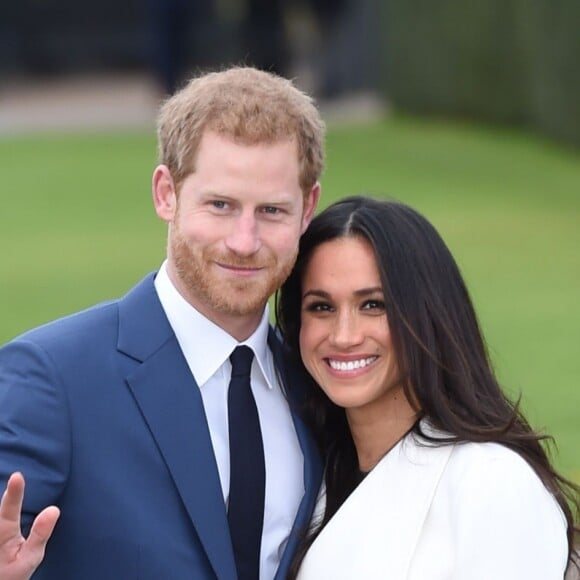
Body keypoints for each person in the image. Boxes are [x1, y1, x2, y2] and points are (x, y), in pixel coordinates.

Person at [0, 66, 325, 579]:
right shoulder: (52, 378)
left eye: (271, 211)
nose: (244, 240)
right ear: (166, 193)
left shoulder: (317, 385)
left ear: (307, 209)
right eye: (220, 205)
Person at [276, 196, 579, 579]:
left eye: (373, 305)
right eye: (321, 307)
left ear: (426, 313)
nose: (344, 335)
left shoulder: (489, 478)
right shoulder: (310, 470)